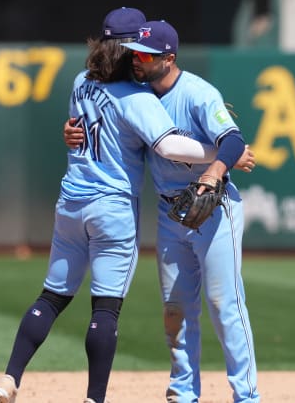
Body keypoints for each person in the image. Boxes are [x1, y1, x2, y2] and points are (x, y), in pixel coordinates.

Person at [0, 8, 220, 403]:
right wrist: (220, 151)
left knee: (51, 297)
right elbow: (168, 146)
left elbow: (78, 129)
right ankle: (94, 398)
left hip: (71, 204)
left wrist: (69, 132)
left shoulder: (81, 81)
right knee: (106, 310)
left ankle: (9, 380)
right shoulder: (135, 96)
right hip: (111, 208)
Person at [64, 20, 260, 403]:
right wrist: (69, 131)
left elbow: (233, 139)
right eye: (136, 52)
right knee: (176, 311)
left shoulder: (197, 93)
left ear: (168, 59)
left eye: (147, 56)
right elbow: (99, 122)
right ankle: (183, 393)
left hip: (214, 209)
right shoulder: (135, 92)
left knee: (225, 306)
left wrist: (216, 170)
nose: (137, 60)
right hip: (172, 215)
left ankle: (246, 395)